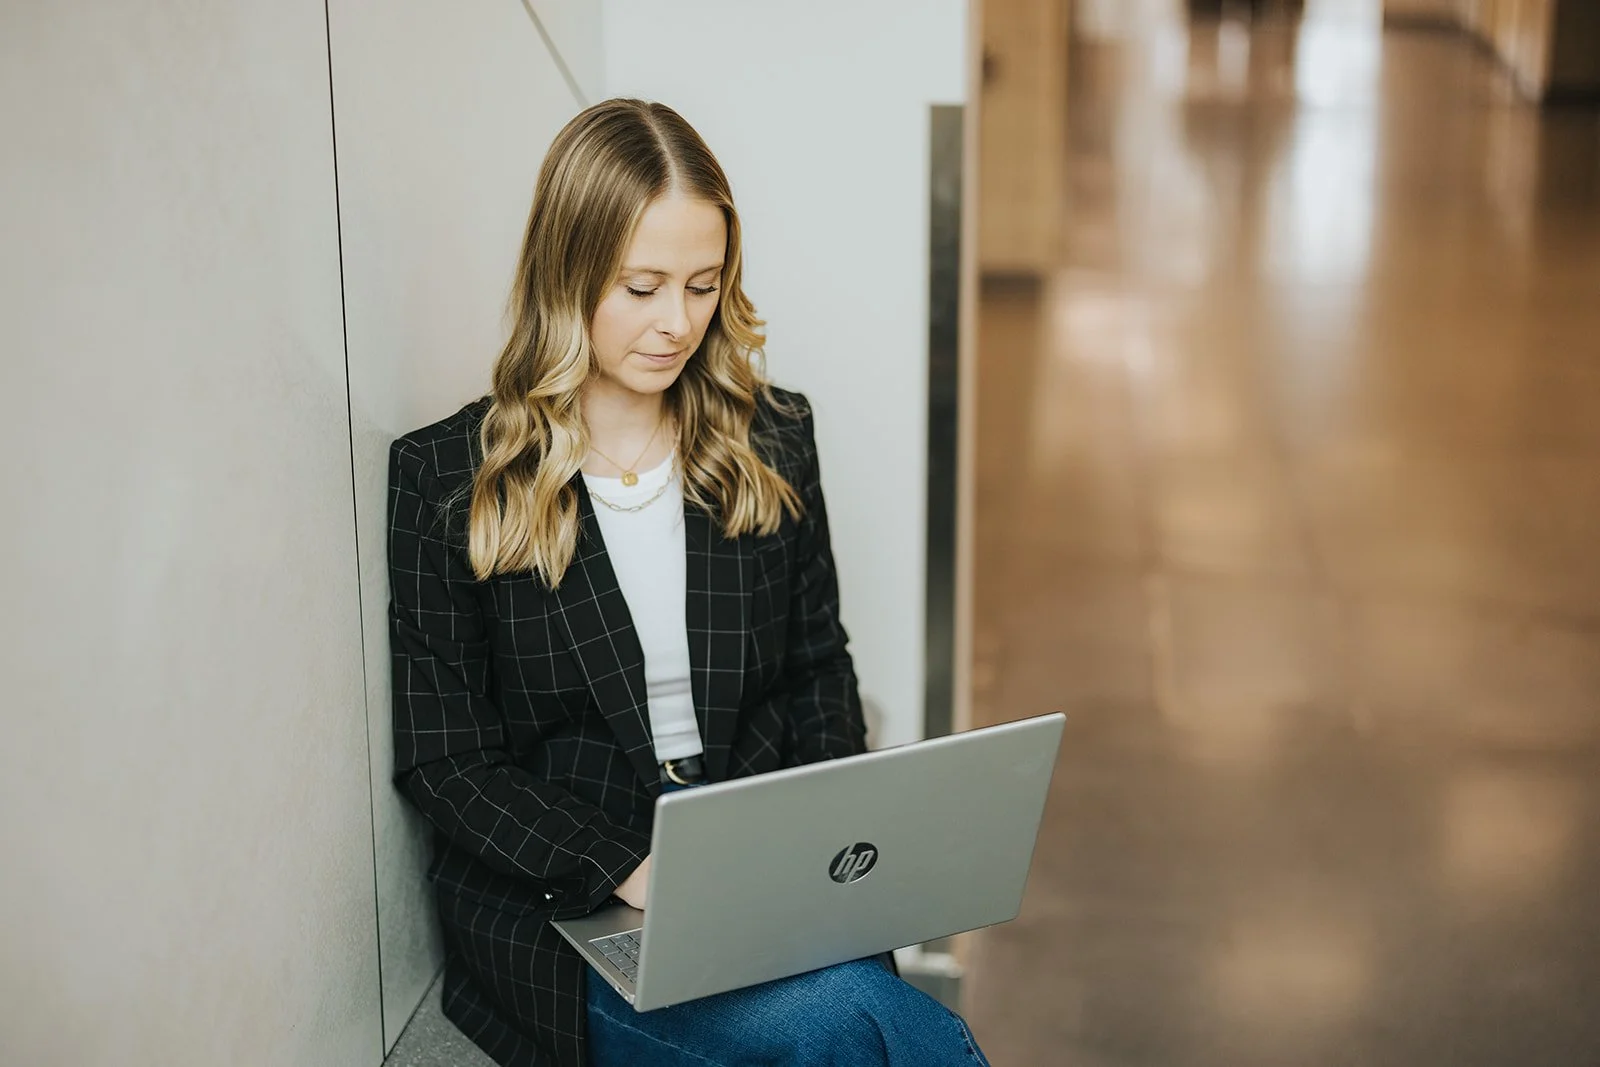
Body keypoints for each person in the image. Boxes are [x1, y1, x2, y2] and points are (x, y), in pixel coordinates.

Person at [386, 99, 991, 1067]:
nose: (677, 324)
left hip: (764, 880)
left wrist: (833, 849)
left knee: (854, 1013)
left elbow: (814, 670)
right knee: (855, 1024)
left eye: (704, 286)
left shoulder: (771, 437)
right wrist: (630, 866)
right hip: (568, 908)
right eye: (641, 287)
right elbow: (446, 762)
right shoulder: (449, 479)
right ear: (566, 273)